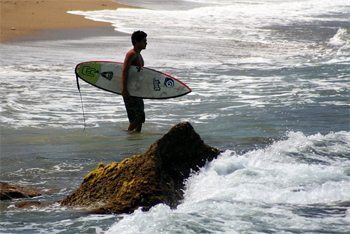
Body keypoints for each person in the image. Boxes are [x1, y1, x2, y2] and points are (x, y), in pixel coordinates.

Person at [122, 31, 147, 133]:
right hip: (130, 91)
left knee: (140, 118)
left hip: (136, 90)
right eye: (144, 41)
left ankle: (135, 143)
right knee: (137, 118)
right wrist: (124, 89)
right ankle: (128, 135)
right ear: (137, 42)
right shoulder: (131, 54)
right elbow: (124, 70)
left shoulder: (139, 55)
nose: (146, 43)